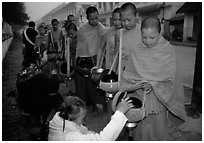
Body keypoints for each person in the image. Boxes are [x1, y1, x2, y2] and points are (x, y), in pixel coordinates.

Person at [120, 17, 187, 140]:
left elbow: (171, 77)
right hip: (139, 95)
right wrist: (138, 84)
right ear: (140, 33)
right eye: (144, 37)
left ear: (160, 33)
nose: (147, 41)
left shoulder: (167, 49)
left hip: (158, 98)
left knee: (157, 130)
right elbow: (130, 74)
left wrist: (153, 84)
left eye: (152, 37)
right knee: (139, 130)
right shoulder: (137, 48)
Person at [48, 95, 133, 141]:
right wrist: (120, 113)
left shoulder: (59, 122)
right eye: (82, 118)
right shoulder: (69, 138)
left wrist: (89, 134)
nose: (83, 122)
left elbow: (80, 129)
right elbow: (103, 140)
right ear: (71, 119)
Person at [75, 6, 107, 114]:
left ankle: (96, 107)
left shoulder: (101, 27)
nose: (95, 21)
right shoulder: (83, 29)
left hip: (96, 58)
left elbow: (104, 42)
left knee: (95, 85)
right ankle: (85, 108)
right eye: (92, 19)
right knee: (84, 87)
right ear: (87, 18)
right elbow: (80, 46)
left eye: (97, 18)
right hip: (84, 60)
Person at [119, 3, 141, 72]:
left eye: (129, 20)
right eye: (123, 20)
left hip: (138, 72)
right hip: (123, 73)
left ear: (137, 16)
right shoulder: (119, 33)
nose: (126, 23)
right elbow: (117, 55)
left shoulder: (143, 32)